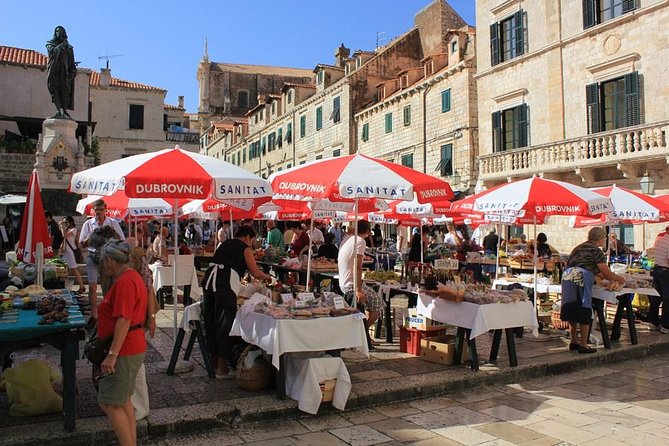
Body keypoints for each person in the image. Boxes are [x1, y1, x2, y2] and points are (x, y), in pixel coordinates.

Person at [202, 226, 272, 379]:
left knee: (211, 322)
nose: (252, 244)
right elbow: (255, 272)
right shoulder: (245, 248)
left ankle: (214, 364)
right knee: (224, 324)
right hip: (224, 284)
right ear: (247, 237)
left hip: (209, 282)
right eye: (252, 240)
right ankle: (222, 369)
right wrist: (267, 277)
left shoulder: (225, 244)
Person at [96, 240, 147, 446]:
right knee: (123, 400)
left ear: (109, 260)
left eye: (103, 261)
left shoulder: (125, 281)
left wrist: (112, 354)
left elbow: (124, 319)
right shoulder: (131, 277)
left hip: (125, 349)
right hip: (132, 346)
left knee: (109, 403)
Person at [560, 227, 625, 354]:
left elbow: (594, 270)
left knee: (572, 307)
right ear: (600, 238)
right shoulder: (596, 251)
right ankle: (583, 344)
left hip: (567, 277)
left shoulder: (578, 248)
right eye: (604, 238)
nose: (605, 240)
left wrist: (605, 277)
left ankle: (574, 341)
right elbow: (606, 273)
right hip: (581, 279)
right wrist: (621, 279)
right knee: (585, 308)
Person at [125, 237, 158, 421]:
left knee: (135, 364)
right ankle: (133, 403)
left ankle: (139, 406)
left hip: (135, 318)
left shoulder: (137, 260)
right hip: (135, 317)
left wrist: (151, 318)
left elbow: (149, 289)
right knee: (134, 364)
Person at [337, 220, 383, 349]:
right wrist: (358, 290)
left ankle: (363, 333)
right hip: (351, 284)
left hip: (344, 281)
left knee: (371, 301)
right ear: (368, 232)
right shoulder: (360, 241)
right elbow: (358, 266)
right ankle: (362, 332)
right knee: (378, 304)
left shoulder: (348, 239)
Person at [80, 199, 124, 324]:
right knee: (92, 286)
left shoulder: (112, 222)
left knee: (109, 286)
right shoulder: (88, 224)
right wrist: (92, 236)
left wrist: (111, 235)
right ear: (93, 211)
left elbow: (121, 239)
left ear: (105, 210)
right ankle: (94, 315)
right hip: (93, 255)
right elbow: (82, 244)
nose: (98, 213)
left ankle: (109, 312)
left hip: (107, 257)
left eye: (100, 210)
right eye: (96, 210)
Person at [46, 26, 76, 119]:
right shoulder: (50, 44)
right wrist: (61, 46)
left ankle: (64, 111)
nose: (58, 32)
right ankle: (59, 110)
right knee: (54, 89)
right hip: (54, 71)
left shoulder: (69, 48)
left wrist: (73, 72)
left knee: (64, 91)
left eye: (60, 31)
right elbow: (52, 53)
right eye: (57, 31)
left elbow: (71, 62)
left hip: (64, 72)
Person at [650, 225, 669, 333]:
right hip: (665, 270)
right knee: (667, 298)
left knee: (657, 297)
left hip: (657, 269)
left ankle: (653, 322)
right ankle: (666, 325)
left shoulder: (660, 240)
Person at [59, 216, 84, 292]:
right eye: (63, 222)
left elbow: (65, 235)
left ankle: (82, 286)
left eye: (66, 222)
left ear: (71, 222)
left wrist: (62, 227)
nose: (65, 224)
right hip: (66, 252)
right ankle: (65, 287)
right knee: (64, 271)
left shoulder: (74, 230)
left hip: (71, 252)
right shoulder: (67, 230)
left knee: (74, 270)